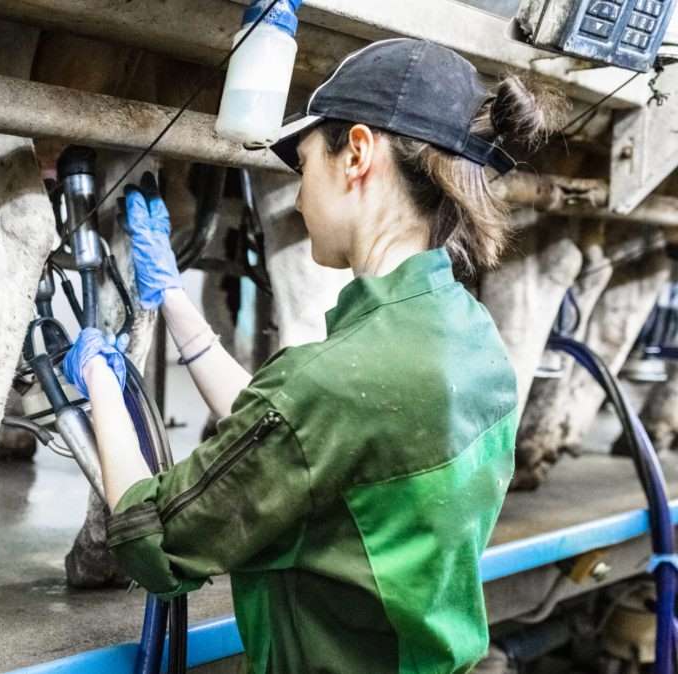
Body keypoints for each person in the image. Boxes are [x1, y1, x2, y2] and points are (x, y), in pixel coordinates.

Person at [62, 38, 560, 673]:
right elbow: (297, 445)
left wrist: (101, 381)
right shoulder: (471, 337)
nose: (298, 197)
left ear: (356, 154)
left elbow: (152, 540)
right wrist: (178, 309)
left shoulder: (332, 382)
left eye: (302, 165)